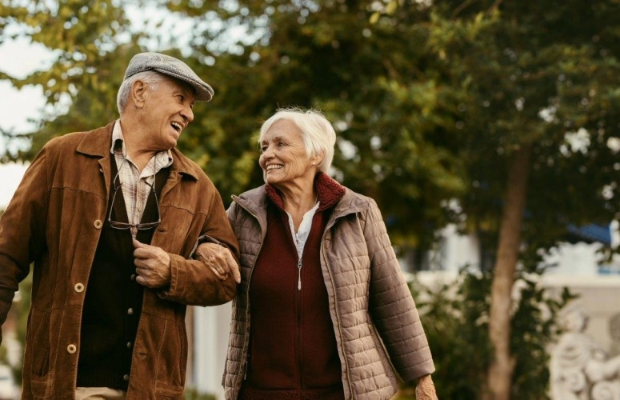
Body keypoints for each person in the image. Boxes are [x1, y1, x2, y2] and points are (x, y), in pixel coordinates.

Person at [0, 52, 241, 399]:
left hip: (150, 391)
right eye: (180, 99)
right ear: (139, 93)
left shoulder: (197, 186)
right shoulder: (62, 158)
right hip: (69, 386)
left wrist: (173, 272)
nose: (189, 114)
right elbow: (7, 254)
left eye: (190, 105)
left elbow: (226, 281)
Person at [198, 108, 438, 399]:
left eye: (280, 144)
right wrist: (203, 246)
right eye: (264, 147)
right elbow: (208, 246)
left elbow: (392, 298)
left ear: (316, 154)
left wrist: (421, 378)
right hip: (262, 391)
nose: (267, 155)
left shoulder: (358, 212)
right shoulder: (244, 211)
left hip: (343, 391)